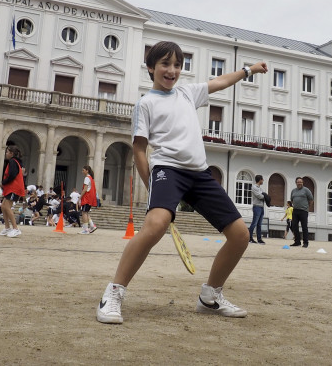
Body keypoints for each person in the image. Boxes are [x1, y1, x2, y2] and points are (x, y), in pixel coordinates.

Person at [97, 41, 268, 324]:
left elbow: (221, 81)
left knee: (240, 236)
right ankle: (112, 293)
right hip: (167, 169)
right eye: (165, 64)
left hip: (199, 174)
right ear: (151, 68)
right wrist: (150, 183)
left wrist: (248, 70)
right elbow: (139, 149)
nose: (172, 70)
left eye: (177, 65)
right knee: (155, 226)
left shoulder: (187, 93)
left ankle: (210, 297)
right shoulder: (145, 104)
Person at [0, 145, 25, 238]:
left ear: (11, 153)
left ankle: (15, 228)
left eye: (7, 152)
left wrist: (4, 182)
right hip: (11, 187)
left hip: (14, 188)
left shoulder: (12, 161)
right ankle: (7, 227)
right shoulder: (16, 162)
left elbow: (12, 174)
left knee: (7, 206)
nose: (6, 153)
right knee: (3, 206)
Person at [289, 177, 313, 248]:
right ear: (296, 183)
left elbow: (311, 200)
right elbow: (292, 200)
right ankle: (297, 242)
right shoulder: (293, 191)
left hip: (304, 211)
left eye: (300, 182)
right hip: (295, 210)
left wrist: (307, 208)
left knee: (304, 227)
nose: (299, 183)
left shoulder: (306, 190)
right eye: (298, 182)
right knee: (294, 226)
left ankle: (305, 243)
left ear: (302, 183)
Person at [79, 165, 99, 234]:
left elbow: (85, 189)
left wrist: (80, 198)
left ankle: (85, 229)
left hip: (87, 198)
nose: (82, 171)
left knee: (84, 212)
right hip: (90, 198)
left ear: (87, 170)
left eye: (83, 170)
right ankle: (92, 225)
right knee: (86, 212)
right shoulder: (91, 178)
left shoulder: (87, 178)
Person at [248, 175, 265, 244]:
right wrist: (265, 196)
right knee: (254, 223)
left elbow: (262, 195)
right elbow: (259, 196)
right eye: (262, 179)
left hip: (261, 207)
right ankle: (249, 238)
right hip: (257, 207)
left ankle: (259, 239)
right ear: (260, 180)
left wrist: (265, 196)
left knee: (259, 224)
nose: (263, 181)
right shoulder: (254, 187)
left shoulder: (260, 188)